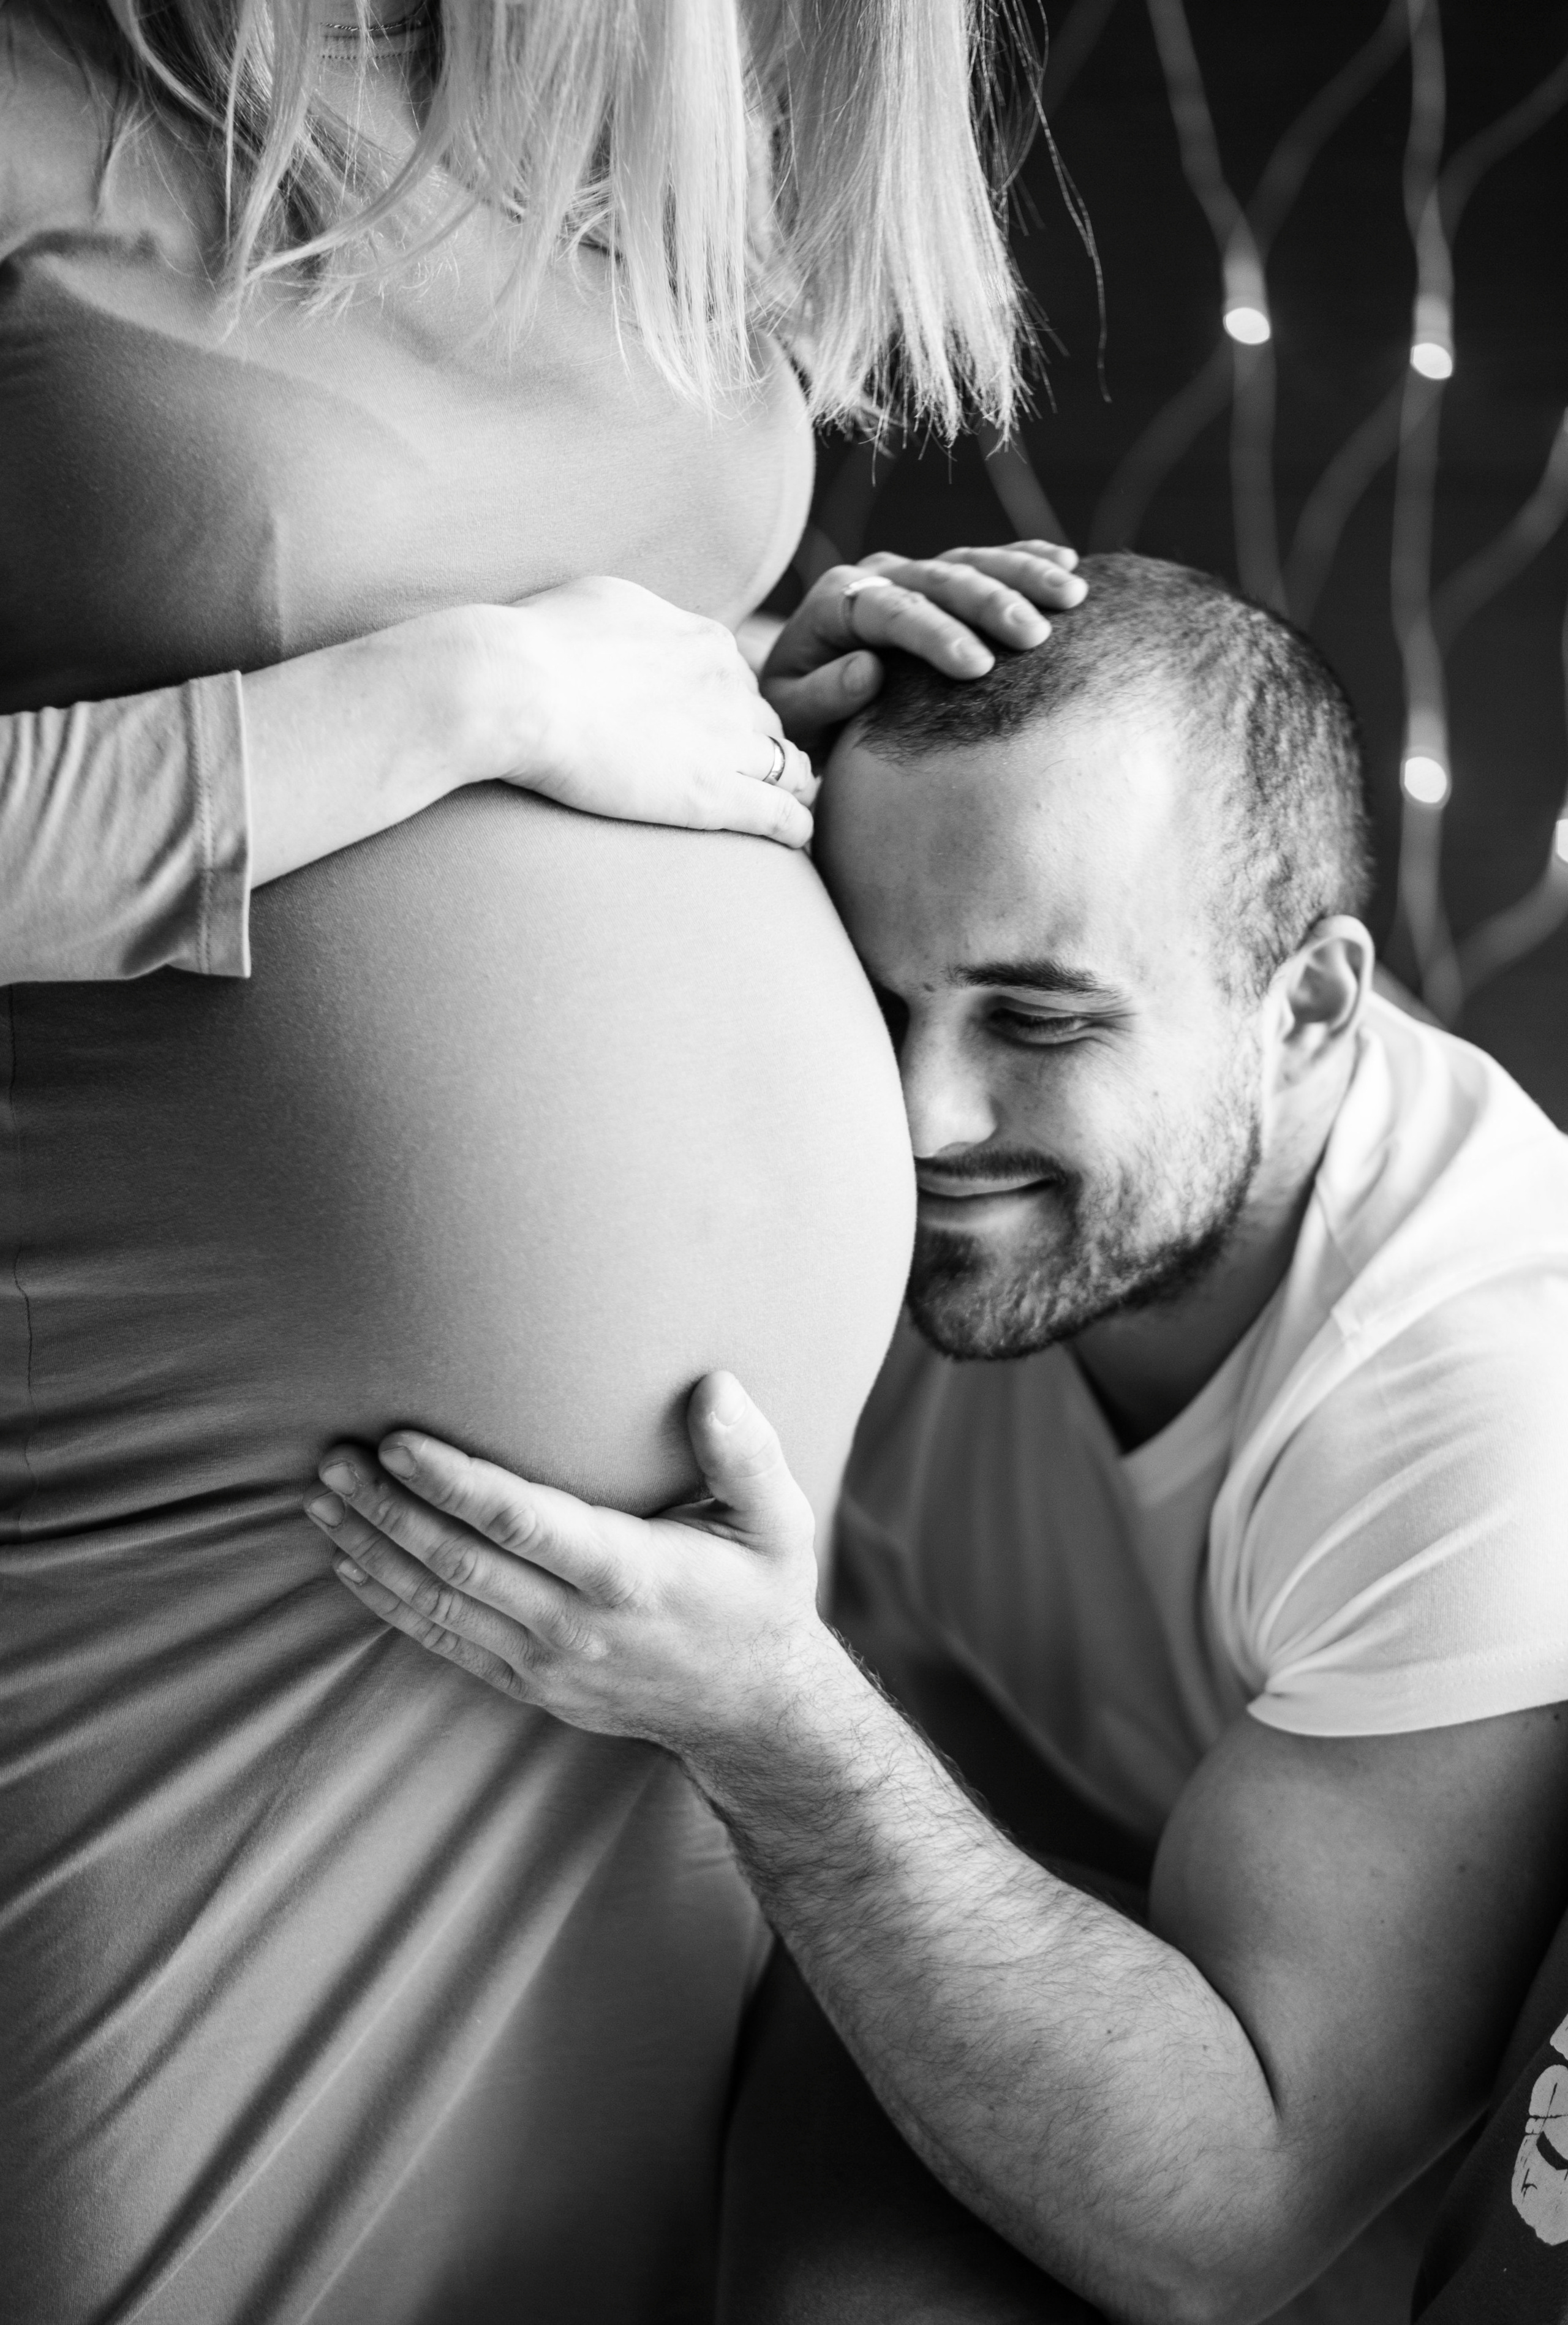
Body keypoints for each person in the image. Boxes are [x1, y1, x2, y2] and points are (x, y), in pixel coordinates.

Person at [0, 0, 1090, 2316]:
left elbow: (556, 637)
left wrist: (752, 692)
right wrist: (463, 699)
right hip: (178, 1604)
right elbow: (435, 668)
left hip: (648, 1662)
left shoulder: (624, 124)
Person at [314, 553, 1568, 2324]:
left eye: (1040, 1021)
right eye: (880, 1002)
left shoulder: (1491, 1382)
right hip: (1020, 1895)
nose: (922, 1117)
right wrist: (740, 685)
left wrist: (770, 1716)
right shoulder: (886, 1124)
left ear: (1304, 1006)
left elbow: (1240, 2220)